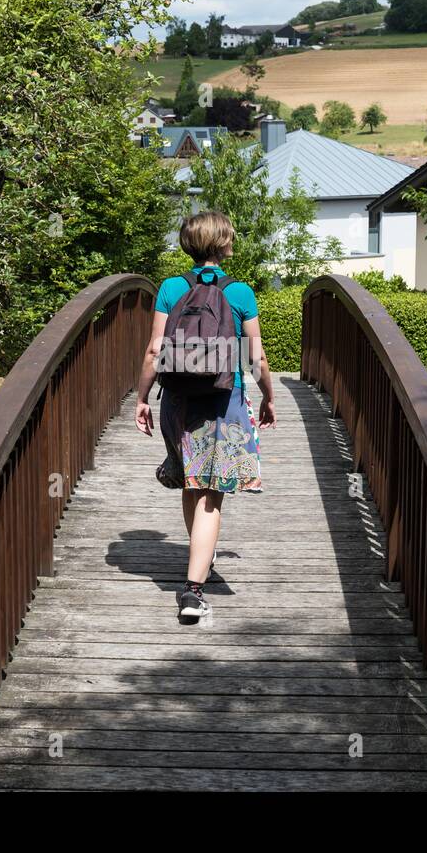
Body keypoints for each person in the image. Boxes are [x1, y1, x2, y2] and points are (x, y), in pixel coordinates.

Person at [134, 211, 276, 619]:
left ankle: (201, 557)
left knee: (190, 484)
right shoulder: (240, 292)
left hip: (177, 399)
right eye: (231, 237)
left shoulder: (170, 287)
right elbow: (256, 356)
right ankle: (193, 591)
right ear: (223, 244)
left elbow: (153, 350)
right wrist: (269, 396)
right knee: (211, 494)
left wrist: (142, 398)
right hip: (221, 401)